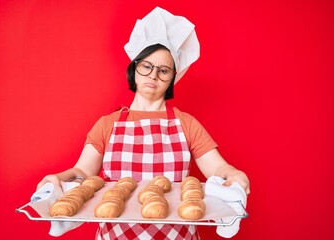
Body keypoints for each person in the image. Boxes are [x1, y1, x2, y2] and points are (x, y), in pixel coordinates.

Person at [37, 7, 250, 240]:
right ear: (134, 67)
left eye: (164, 70)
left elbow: (218, 169)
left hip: (177, 235)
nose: (153, 75)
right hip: (115, 235)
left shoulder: (186, 123)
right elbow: (83, 172)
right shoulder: (107, 124)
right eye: (146, 66)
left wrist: (234, 174)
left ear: (173, 78)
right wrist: (61, 177)